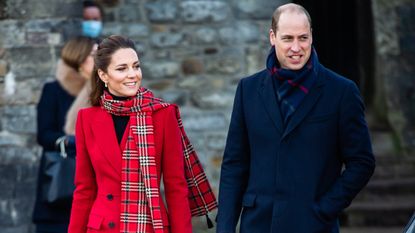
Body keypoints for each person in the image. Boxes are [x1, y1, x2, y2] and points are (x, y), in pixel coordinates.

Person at [216, 3, 375, 233]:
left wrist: (325, 209)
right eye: (288, 38)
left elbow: (362, 162)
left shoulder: (341, 92)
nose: (296, 47)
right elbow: (235, 164)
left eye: (303, 38)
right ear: (273, 37)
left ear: (311, 36)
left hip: (313, 225)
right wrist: (225, 227)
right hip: (258, 224)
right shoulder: (247, 90)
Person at [68, 35, 217, 233]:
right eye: (122, 68)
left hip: (149, 226)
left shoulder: (163, 115)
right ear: (104, 75)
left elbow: (176, 188)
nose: (133, 74)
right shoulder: (87, 118)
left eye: (136, 66)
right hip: (101, 227)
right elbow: (84, 189)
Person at [33, 36, 97, 233]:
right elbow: (44, 134)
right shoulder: (53, 90)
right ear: (79, 58)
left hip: (95, 185)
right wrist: (71, 141)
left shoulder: (102, 91)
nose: (101, 59)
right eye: (95, 55)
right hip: (61, 181)